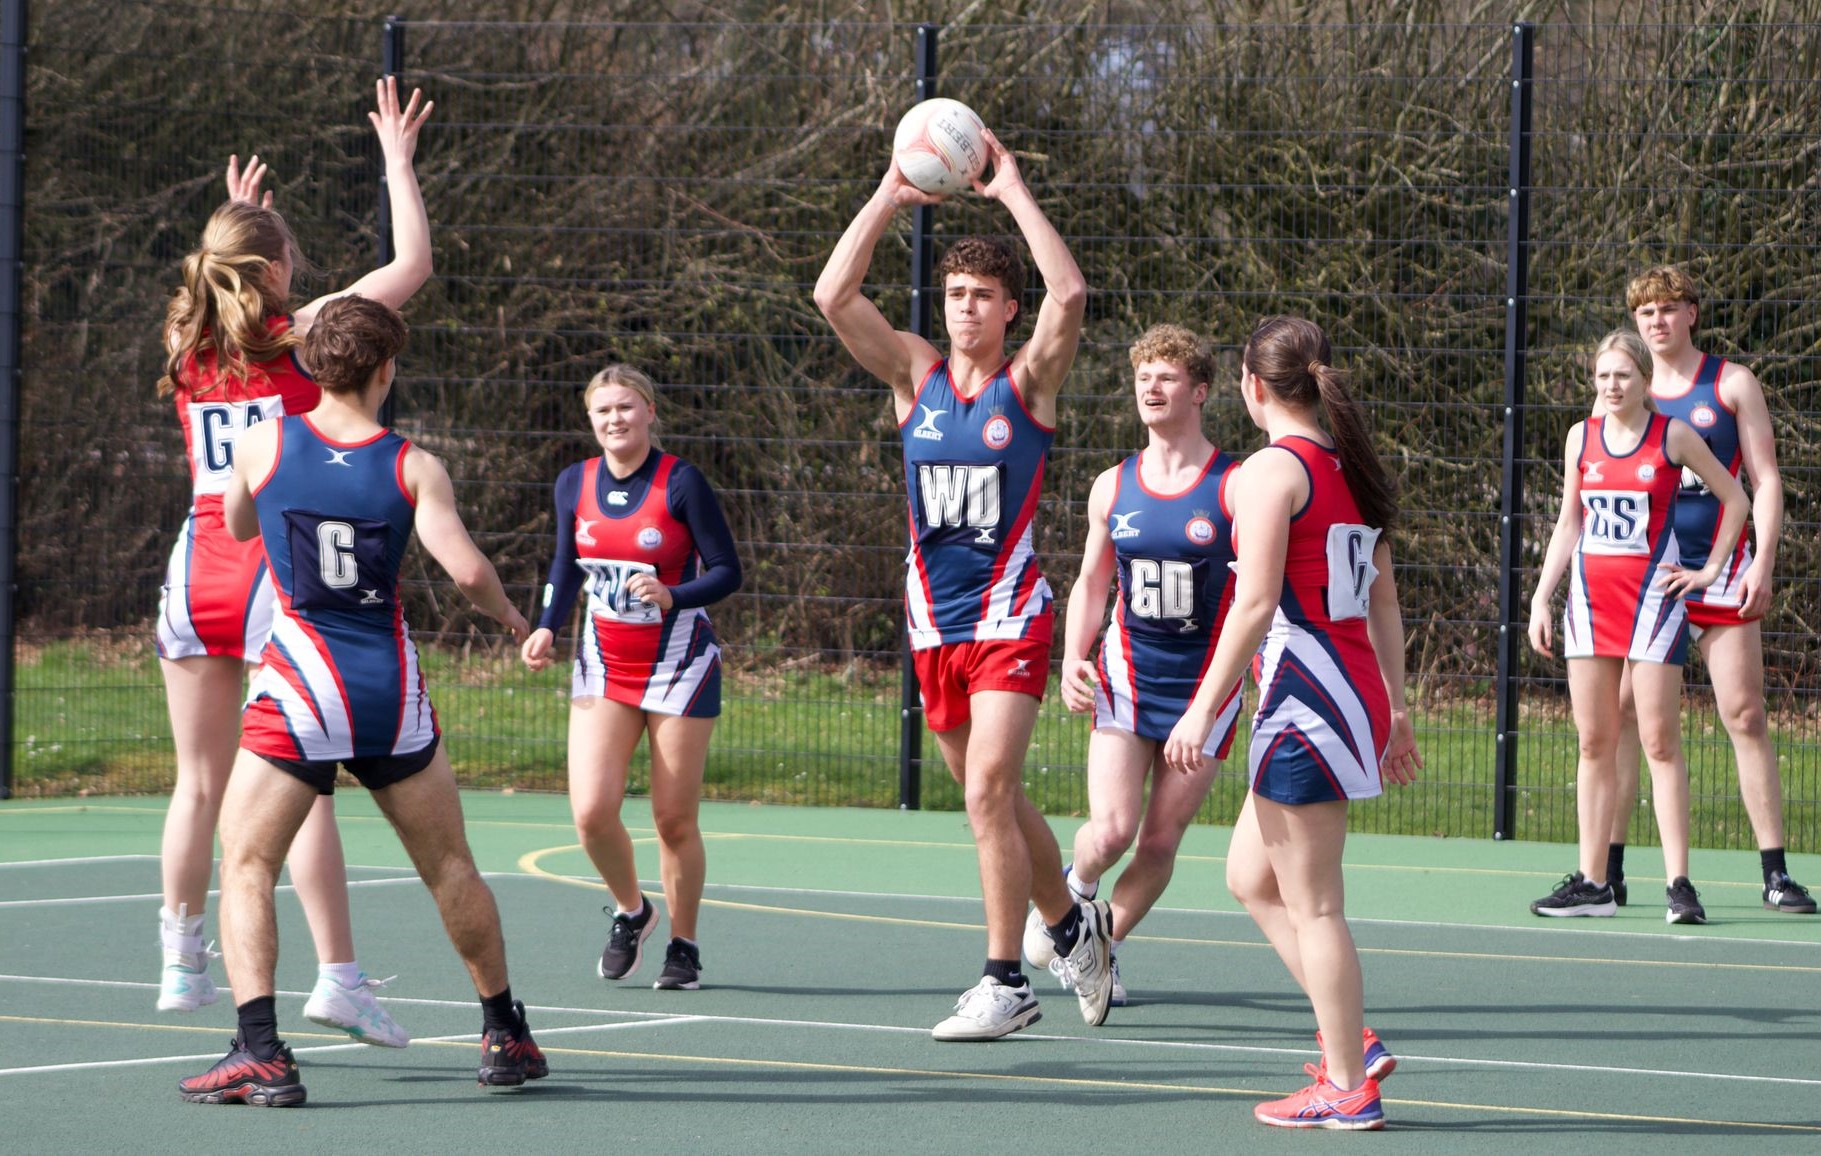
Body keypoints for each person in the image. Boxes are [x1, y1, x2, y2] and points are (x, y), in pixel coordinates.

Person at [179, 294, 546, 1106]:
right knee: (449, 863)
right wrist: (515, 617)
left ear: (312, 366)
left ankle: (261, 1052)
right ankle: (503, 1034)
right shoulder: (413, 464)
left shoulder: (264, 442)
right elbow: (467, 573)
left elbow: (237, 525)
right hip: (386, 685)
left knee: (245, 863)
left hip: (301, 685)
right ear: (388, 371)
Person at [814, 125, 1112, 1039]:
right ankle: (1071, 926)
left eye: (982, 296)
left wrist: (1011, 188)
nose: (964, 309)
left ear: (1008, 310)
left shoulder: (1029, 385)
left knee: (988, 792)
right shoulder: (915, 374)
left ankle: (1004, 983)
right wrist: (889, 193)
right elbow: (832, 293)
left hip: (1010, 615)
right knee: (997, 801)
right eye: (953, 294)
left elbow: (1069, 290)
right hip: (931, 624)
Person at [152, 77, 433, 1046]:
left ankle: (180, 959)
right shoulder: (303, 337)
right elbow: (411, 262)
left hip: (198, 564)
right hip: (276, 562)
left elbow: (218, 276)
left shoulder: (188, 341)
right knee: (299, 778)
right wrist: (396, 159)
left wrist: (242, 220)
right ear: (275, 271)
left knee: (197, 781)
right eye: (289, 253)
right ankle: (339, 974)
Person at [1164, 316, 1420, 1130]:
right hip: (1343, 693)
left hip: (1306, 699)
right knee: (1249, 876)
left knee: (1315, 906)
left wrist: (1203, 709)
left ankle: (1346, 1085)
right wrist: (1398, 708)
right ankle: (1354, 1040)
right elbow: (1382, 598)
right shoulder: (1349, 469)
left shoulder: (1274, 472)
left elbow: (1255, 603)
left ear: (1248, 386)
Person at [1031, 324, 1240, 1009]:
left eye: (1167, 377)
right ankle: (1074, 895)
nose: (1150, 387)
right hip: (1127, 675)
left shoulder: (1234, 486)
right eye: (1143, 376)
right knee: (1112, 829)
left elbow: (1258, 593)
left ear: (1200, 392)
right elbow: (1092, 582)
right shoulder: (1112, 486)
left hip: (1205, 686)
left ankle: (1098, 951)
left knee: (1157, 840)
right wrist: (1071, 656)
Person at [520, 365, 743, 991]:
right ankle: (632, 910)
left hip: (678, 667)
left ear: (648, 410)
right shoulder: (575, 482)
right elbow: (566, 566)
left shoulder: (681, 483)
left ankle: (685, 944)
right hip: (604, 666)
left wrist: (675, 594)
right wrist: (546, 624)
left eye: (625, 407)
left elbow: (728, 571)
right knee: (591, 813)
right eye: (602, 412)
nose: (614, 420)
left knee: (673, 819)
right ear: (590, 421)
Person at [1603, 268, 1813, 915]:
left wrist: (1762, 563)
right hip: (1650, 578)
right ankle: (1606, 872)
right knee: (1622, 718)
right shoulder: (1620, 390)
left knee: (1744, 715)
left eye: (1668, 309)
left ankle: (1774, 874)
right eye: (1645, 313)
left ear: (1691, 313)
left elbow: (1765, 478)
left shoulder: (1729, 383)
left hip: (1722, 570)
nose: (1657, 321)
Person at [1528, 329, 1748, 925]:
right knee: (1594, 742)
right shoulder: (1581, 438)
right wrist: (1542, 599)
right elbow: (1569, 523)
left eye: (1623, 375)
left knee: (1658, 741)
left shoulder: (1672, 435)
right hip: (1590, 605)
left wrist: (1707, 572)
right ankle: (1594, 881)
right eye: (1602, 376)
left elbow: (1736, 498)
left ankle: (1679, 884)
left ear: (1644, 380)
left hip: (1652, 603)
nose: (1611, 386)